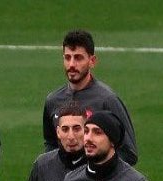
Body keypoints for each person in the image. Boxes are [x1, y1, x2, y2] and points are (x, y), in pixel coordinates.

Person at [42, 29, 138, 165]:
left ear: (92, 61)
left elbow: (128, 153)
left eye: (78, 58)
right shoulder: (53, 101)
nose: (72, 64)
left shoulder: (107, 100)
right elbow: (51, 144)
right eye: (68, 57)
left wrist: (94, 171)